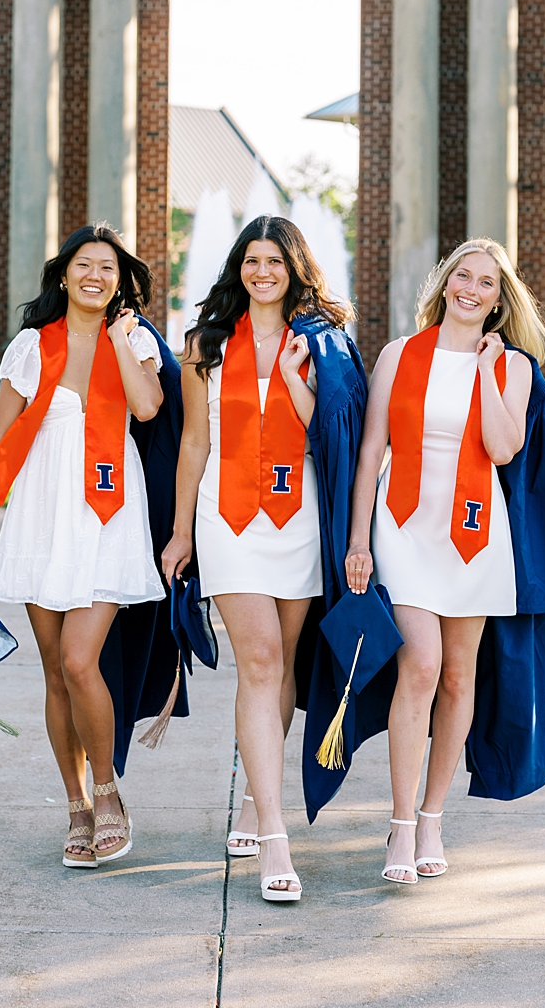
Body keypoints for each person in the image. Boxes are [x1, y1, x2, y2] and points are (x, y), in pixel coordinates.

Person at [341, 237, 545, 885]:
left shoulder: (513, 368)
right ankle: (398, 826)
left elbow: (504, 449)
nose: (471, 289)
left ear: (500, 300)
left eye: (486, 283)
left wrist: (484, 369)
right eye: (462, 276)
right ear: (445, 282)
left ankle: (432, 818)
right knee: (419, 666)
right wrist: (358, 538)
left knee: (457, 678)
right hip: (404, 528)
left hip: (475, 539)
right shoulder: (399, 355)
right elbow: (371, 451)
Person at [0, 224, 178, 870]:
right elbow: (3, 444)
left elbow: (147, 409)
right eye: (85, 265)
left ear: (120, 280)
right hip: (43, 517)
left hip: (109, 517)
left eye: (108, 269)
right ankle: (76, 805)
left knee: (83, 662)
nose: (96, 276)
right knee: (55, 670)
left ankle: (108, 791)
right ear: (64, 274)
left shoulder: (133, 340)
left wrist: (117, 338)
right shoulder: (32, 348)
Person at [161, 216, 358, 904]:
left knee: (285, 669)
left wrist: (299, 376)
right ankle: (276, 835)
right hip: (229, 517)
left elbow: (333, 435)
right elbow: (192, 444)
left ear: (295, 268)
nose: (263, 271)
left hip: (297, 516)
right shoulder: (203, 348)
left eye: (275, 260)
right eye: (252, 259)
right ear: (237, 268)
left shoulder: (324, 345)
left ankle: (256, 796)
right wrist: (181, 532)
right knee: (262, 660)